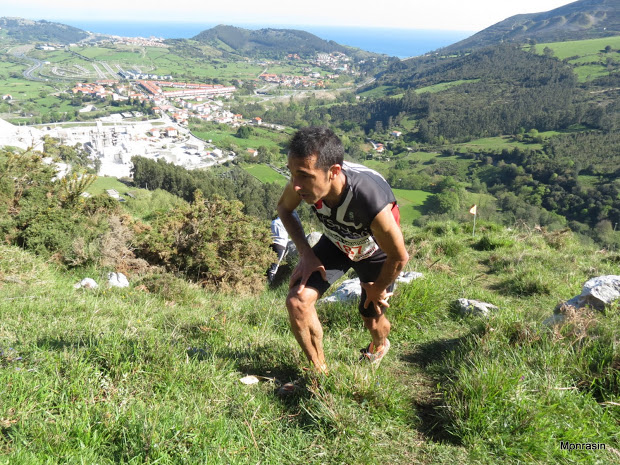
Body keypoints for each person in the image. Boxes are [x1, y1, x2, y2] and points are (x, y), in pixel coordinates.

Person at [277, 126, 409, 374]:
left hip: (375, 252)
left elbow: (399, 256)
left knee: (371, 317)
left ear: (333, 172)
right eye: (292, 174)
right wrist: (307, 253)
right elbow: (284, 209)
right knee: (297, 301)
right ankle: (320, 372)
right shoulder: (307, 182)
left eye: (304, 176)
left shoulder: (369, 201)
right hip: (336, 242)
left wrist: (378, 288)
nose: (295, 185)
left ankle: (379, 346)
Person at [267, 212, 299, 284]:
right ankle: (269, 283)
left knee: (268, 264)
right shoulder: (286, 223)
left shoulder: (274, 222)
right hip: (280, 246)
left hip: (271, 244)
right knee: (274, 266)